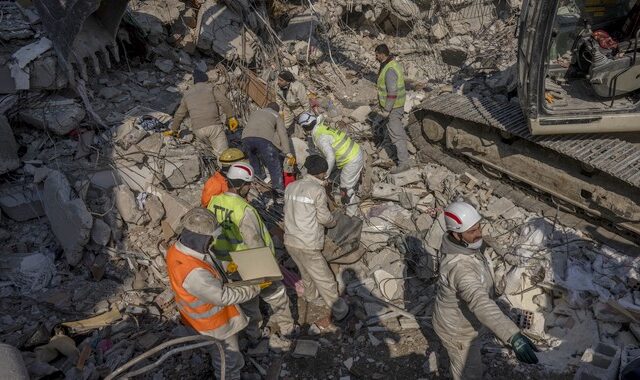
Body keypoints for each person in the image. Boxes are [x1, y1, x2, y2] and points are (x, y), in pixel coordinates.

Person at [432, 201, 539, 380]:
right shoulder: (460, 269)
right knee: (469, 373)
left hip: (463, 322)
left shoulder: (463, 246)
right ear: (455, 235)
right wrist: (513, 336)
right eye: (472, 231)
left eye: (479, 227)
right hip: (458, 333)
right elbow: (479, 302)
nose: (479, 234)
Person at [165, 207, 263, 379]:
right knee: (227, 362)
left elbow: (208, 264)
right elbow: (223, 296)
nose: (213, 242)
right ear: (200, 238)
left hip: (206, 322)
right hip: (214, 327)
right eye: (211, 239)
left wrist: (228, 267)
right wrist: (254, 288)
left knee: (228, 357)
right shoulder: (194, 274)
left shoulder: (180, 249)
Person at [207, 163, 296, 343]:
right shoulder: (244, 210)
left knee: (247, 299)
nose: (250, 188)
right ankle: (288, 329)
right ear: (242, 185)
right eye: (249, 185)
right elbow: (254, 241)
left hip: (226, 261)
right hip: (250, 259)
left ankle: (254, 333)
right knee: (276, 294)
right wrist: (268, 266)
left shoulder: (214, 201)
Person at [283, 155, 350, 323]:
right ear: (322, 172)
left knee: (305, 271)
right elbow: (324, 218)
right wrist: (334, 221)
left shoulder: (291, 186)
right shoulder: (317, 190)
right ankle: (340, 310)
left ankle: (311, 297)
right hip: (308, 242)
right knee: (325, 278)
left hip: (290, 240)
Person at [298, 112, 363, 216]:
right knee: (341, 182)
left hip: (351, 159)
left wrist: (325, 176)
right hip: (352, 152)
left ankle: (352, 216)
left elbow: (331, 157)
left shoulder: (320, 137)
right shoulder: (321, 127)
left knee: (346, 189)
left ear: (305, 127)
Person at [167, 69, 238, 161]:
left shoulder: (187, 94)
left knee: (210, 155)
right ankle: (225, 173)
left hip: (198, 131)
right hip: (214, 127)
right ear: (206, 79)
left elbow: (179, 114)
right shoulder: (211, 87)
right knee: (224, 158)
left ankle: (214, 172)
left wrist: (174, 130)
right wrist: (231, 117)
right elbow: (224, 102)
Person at [241, 102, 295, 195]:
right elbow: (283, 134)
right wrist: (287, 152)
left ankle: (258, 189)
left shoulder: (256, 112)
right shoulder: (276, 115)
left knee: (255, 164)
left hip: (246, 139)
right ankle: (279, 192)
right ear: (277, 110)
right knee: (274, 166)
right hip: (263, 140)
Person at [374, 44, 410, 174]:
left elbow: (392, 92)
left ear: (382, 54)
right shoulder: (392, 63)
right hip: (395, 105)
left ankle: (404, 163)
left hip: (394, 107)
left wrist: (387, 110)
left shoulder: (389, 69)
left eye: (377, 55)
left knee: (397, 134)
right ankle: (401, 155)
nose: (376, 57)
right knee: (395, 131)